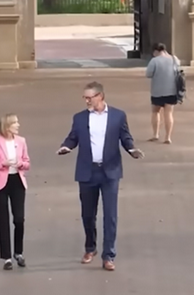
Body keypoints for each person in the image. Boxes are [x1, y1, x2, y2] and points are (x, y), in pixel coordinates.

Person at [57, 81, 144, 271]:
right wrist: (66, 146)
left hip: (110, 171)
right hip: (87, 172)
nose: (87, 101)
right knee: (88, 214)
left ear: (100, 96)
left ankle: (109, 255)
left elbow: (125, 137)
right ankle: (90, 248)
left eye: (90, 97)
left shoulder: (117, 116)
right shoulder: (80, 118)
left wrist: (132, 149)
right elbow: (73, 137)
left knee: (110, 215)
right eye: (85, 98)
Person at [0, 113, 30, 270]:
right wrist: (2, 163)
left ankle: (19, 252)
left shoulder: (21, 141)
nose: (18, 125)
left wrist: (20, 164)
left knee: (19, 218)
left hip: (17, 181)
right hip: (0, 184)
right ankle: (6, 257)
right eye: (15, 123)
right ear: (7, 126)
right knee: (2, 220)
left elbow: (27, 162)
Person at [145, 43, 181, 144]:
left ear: (156, 51)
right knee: (169, 113)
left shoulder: (154, 61)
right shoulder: (174, 59)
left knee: (155, 112)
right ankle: (168, 137)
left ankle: (155, 134)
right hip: (172, 90)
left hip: (157, 91)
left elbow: (148, 74)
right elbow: (178, 71)